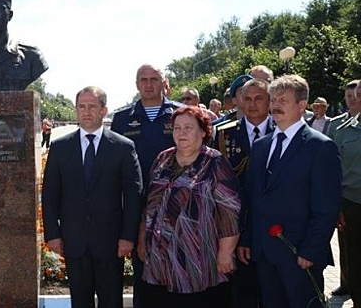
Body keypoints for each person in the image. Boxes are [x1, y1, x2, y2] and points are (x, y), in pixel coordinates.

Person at [237, 75, 341, 308]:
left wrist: (311, 250)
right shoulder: (262, 146)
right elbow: (253, 197)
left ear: (302, 106)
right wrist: (247, 238)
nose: (275, 105)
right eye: (273, 99)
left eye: (283, 100)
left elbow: (326, 206)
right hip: (264, 253)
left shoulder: (321, 147)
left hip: (300, 254)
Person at [42, 86, 143, 308]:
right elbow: (50, 194)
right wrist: (53, 234)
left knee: (111, 301)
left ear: (103, 110)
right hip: (74, 241)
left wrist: (128, 236)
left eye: (92, 106)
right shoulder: (60, 147)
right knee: (80, 302)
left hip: (111, 242)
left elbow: (134, 196)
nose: (86, 111)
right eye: (81, 106)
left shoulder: (123, 147)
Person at [138, 106, 241, 307]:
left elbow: (230, 211)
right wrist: (142, 240)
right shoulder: (163, 158)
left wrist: (226, 253)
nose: (181, 132)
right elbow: (149, 204)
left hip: (198, 257)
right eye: (177, 128)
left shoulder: (215, 162)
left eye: (188, 127)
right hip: (159, 256)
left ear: (203, 131)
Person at [111, 63, 181, 308]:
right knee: (143, 268)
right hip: (137, 203)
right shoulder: (122, 118)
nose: (149, 84)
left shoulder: (181, 114)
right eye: (143, 79)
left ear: (164, 83)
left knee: (177, 265)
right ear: (136, 84)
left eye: (154, 79)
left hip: (178, 202)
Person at [213, 77, 275, 308]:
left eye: (259, 98)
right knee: (242, 292)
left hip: (273, 226)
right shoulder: (223, 134)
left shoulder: (281, 131)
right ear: (238, 100)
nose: (252, 104)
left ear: (269, 101)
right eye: (246, 98)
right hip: (235, 226)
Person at [325, 79, 361, 296]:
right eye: (356, 94)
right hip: (353, 204)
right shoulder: (343, 129)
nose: (356, 98)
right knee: (354, 258)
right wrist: (336, 205)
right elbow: (332, 169)